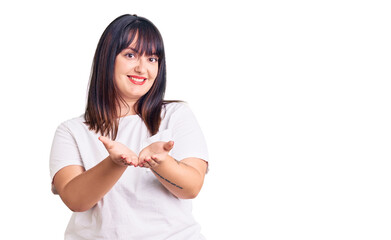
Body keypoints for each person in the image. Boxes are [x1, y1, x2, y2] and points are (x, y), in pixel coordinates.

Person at [49, 14, 209, 240]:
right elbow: (75, 200)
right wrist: (114, 164)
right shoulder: (71, 131)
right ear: (107, 59)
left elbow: (191, 187)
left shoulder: (176, 114)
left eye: (152, 59)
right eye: (131, 55)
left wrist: (161, 162)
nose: (142, 68)